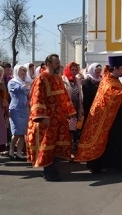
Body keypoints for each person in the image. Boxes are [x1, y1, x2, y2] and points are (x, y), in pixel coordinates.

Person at [75, 56, 122, 173]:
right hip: (109, 118)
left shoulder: (113, 79)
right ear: (115, 68)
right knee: (114, 141)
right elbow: (116, 97)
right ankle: (112, 165)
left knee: (116, 141)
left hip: (115, 116)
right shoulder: (108, 81)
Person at [26, 54, 77, 182]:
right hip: (48, 119)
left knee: (57, 146)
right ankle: (49, 172)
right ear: (48, 64)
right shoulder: (41, 78)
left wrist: (71, 111)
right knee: (47, 146)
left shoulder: (58, 78)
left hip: (60, 118)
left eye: (59, 63)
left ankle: (54, 170)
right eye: (56, 63)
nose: (59, 65)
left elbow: (65, 96)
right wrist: (41, 116)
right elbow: (36, 98)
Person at [8, 64, 31, 160]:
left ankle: (19, 153)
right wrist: (25, 86)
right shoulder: (12, 82)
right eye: (21, 72)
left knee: (22, 133)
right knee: (16, 132)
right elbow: (17, 90)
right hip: (16, 109)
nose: (23, 74)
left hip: (24, 110)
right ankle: (11, 149)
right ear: (16, 72)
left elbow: (28, 94)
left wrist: (29, 100)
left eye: (25, 72)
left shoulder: (25, 82)